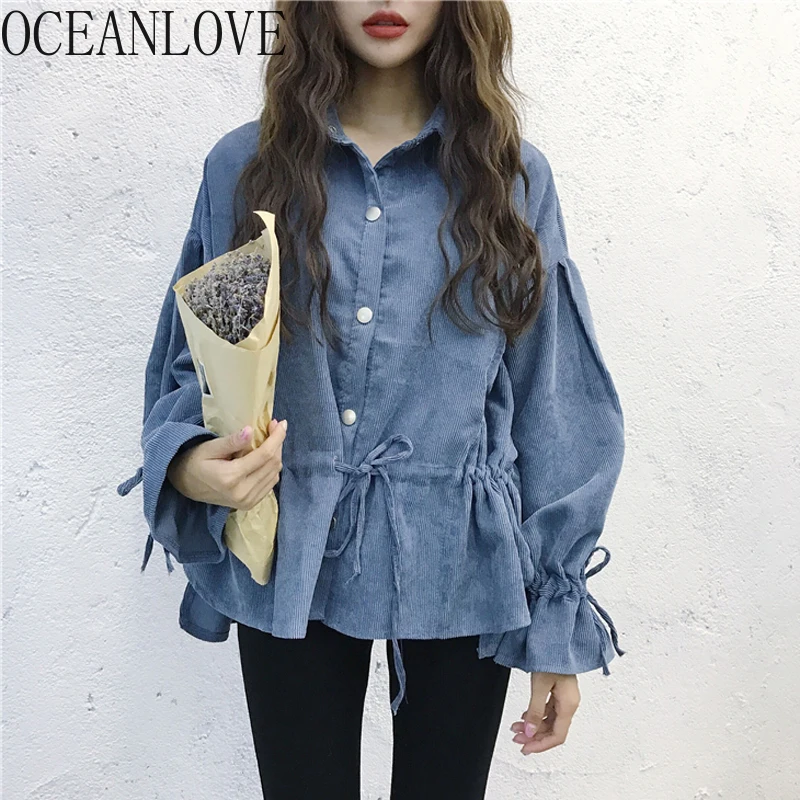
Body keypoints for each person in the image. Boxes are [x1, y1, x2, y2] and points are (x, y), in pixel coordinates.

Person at [117, 1, 627, 797]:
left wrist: (558, 625)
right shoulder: (244, 168)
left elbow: (554, 395)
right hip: (289, 545)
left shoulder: (513, 180)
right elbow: (198, 362)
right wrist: (190, 465)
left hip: (461, 557)